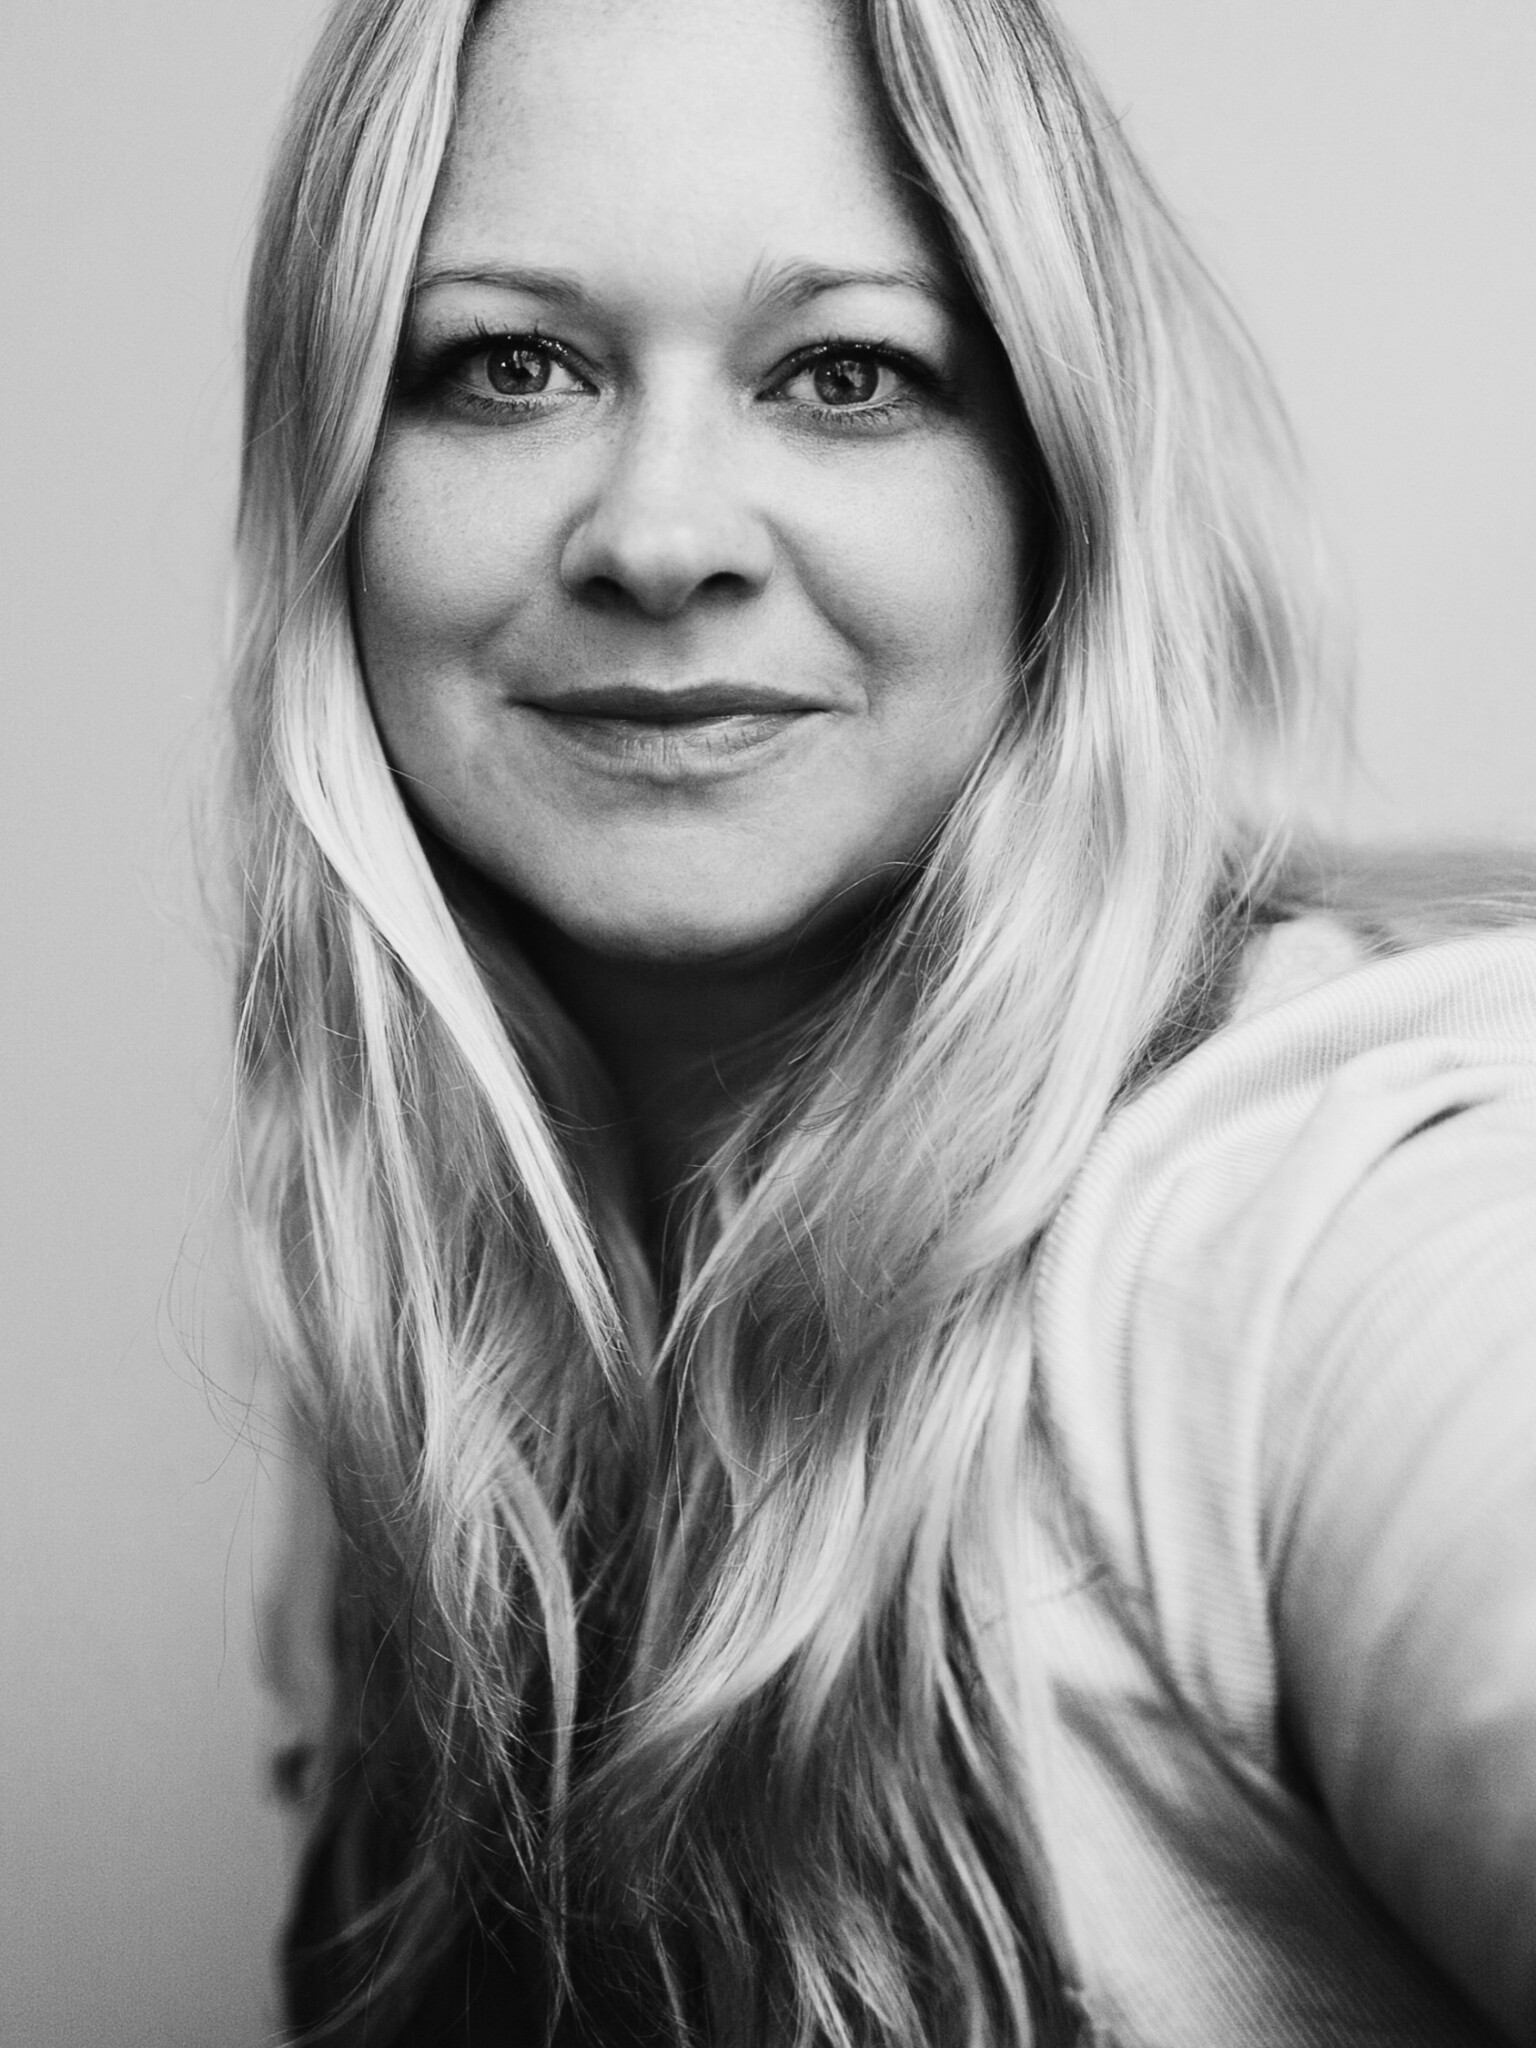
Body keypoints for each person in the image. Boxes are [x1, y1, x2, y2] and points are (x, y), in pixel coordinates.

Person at [236, 0, 1536, 2040]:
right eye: (509, 365)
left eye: (846, 374)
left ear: (1050, 499)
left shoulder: (1325, 1238)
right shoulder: (441, 1359)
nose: (660, 536)